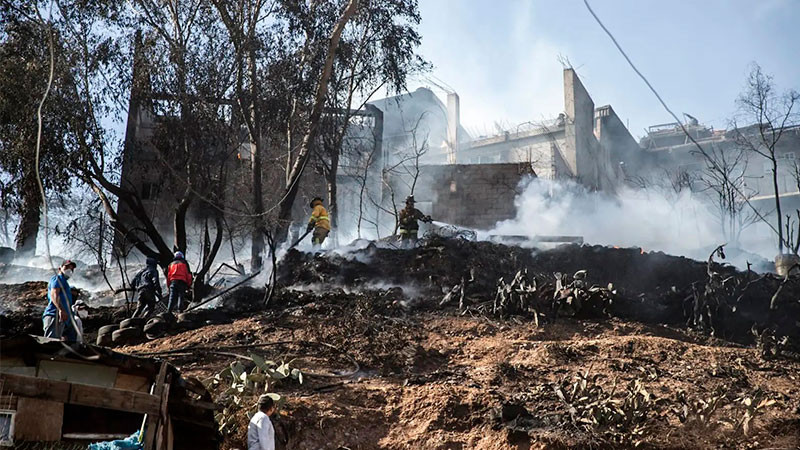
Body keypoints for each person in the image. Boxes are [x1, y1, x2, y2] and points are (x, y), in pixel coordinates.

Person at [42, 260, 77, 340]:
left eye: (72, 269)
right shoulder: (58, 279)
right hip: (55, 314)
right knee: (50, 342)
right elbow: (54, 294)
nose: (69, 270)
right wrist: (61, 310)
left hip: (62, 317)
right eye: (67, 267)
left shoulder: (65, 282)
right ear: (60, 268)